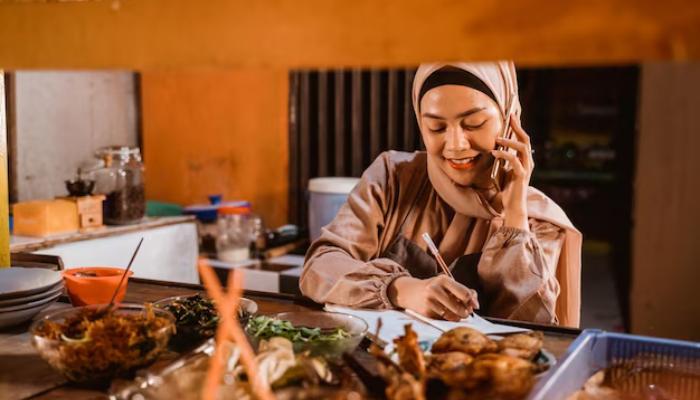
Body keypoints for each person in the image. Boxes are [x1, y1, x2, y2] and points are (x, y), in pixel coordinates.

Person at [299, 62, 582, 327]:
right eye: (436, 127)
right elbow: (319, 269)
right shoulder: (394, 178)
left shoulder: (541, 221)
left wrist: (515, 217)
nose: (456, 145)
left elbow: (531, 329)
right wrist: (401, 289)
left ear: (511, 120)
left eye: (474, 124)